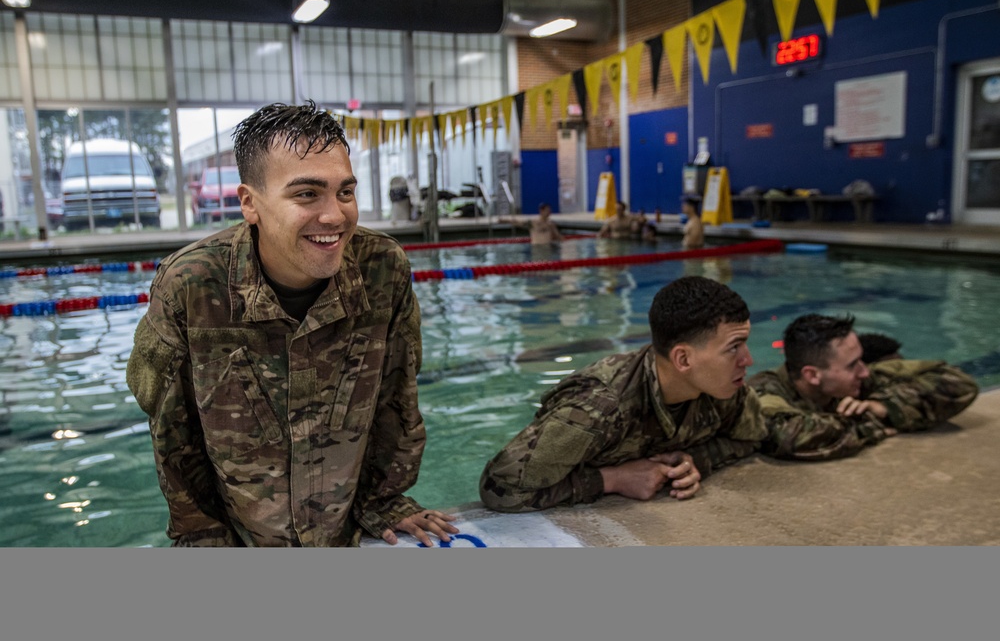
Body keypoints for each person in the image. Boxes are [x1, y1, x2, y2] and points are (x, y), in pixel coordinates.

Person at [126, 101, 458, 547]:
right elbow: (171, 434)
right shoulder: (191, 286)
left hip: (348, 532)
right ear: (250, 203)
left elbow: (397, 397)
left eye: (345, 192)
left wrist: (384, 499)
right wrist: (202, 535)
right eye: (307, 194)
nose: (335, 216)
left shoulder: (382, 269)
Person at [479, 276, 766, 513]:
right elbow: (500, 488)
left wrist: (693, 460)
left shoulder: (725, 388)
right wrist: (611, 480)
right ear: (683, 360)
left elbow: (752, 437)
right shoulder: (598, 407)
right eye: (734, 347)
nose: (748, 360)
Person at [749, 314, 979, 461]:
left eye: (861, 360)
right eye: (852, 365)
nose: (865, 371)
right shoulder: (764, 391)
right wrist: (869, 424)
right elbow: (786, 436)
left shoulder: (856, 381)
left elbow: (958, 382)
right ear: (812, 375)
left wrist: (883, 406)